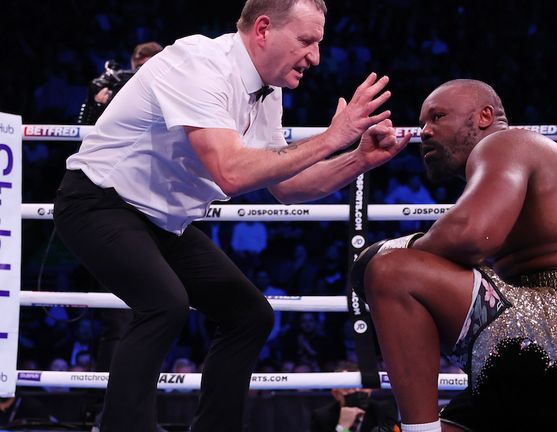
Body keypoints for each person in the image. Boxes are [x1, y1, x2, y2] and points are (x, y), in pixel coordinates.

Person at [52, 0, 410, 431]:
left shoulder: (267, 90)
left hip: (162, 221)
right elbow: (231, 171)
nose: (315, 57)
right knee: (164, 304)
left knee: (249, 314)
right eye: (306, 41)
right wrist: (333, 137)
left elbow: (288, 188)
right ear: (263, 30)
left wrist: (358, 159)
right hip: (98, 202)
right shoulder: (198, 63)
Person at [352, 79, 557, 431]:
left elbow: (473, 235)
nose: (425, 132)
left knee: (388, 270)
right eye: (421, 125)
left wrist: (396, 250)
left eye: (438, 116)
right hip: (549, 366)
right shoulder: (500, 170)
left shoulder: (507, 143)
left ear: (484, 116)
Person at [77, 41, 164, 125]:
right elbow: (87, 128)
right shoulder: (118, 86)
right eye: (138, 67)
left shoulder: (166, 88)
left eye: (144, 66)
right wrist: (99, 105)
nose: (140, 71)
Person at [310, 362, 400, 432]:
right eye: (349, 388)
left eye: (362, 387)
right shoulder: (322, 417)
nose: (357, 391)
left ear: (370, 390)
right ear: (336, 393)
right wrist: (342, 428)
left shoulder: (383, 410)